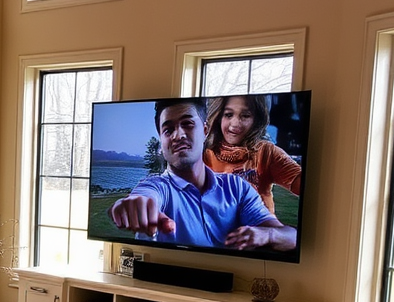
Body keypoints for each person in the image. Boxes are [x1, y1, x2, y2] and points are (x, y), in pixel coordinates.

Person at [109, 98, 296, 252]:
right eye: (168, 129)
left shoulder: (236, 187)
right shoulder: (156, 186)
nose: (178, 135)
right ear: (162, 140)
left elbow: (291, 237)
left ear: (205, 130)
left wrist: (267, 234)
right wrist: (132, 205)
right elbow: (145, 195)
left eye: (187, 124)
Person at [203, 95, 301, 215]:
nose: (235, 124)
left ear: (257, 119)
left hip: (261, 230)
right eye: (228, 114)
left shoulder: (266, 152)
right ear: (218, 117)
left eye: (245, 116)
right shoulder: (204, 153)